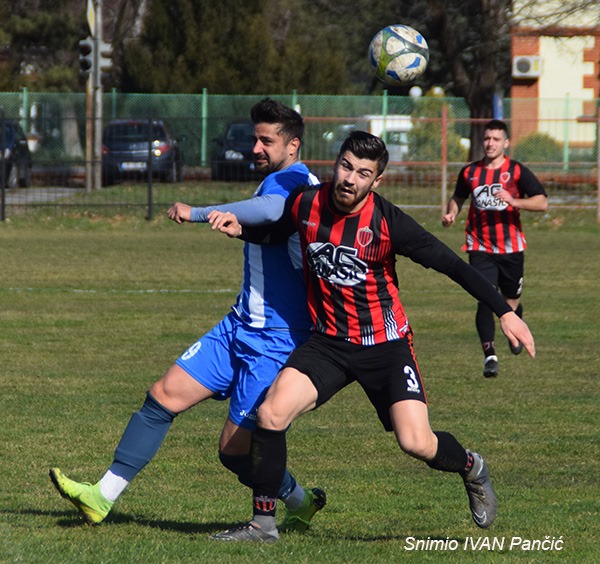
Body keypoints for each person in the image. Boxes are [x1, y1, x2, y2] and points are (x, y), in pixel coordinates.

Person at [207, 130, 536, 542]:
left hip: (385, 345)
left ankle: (472, 466)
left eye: (363, 173)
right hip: (328, 343)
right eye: (346, 166)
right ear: (336, 163)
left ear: (376, 181)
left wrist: (506, 312)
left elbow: (454, 266)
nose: (350, 178)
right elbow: (277, 233)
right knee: (270, 414)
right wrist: (242, 228)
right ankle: (263, 524)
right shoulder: (307, 201)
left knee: (416, 442)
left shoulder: (388, 221)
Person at [49, 98, 326, 532]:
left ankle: (297, 499)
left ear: (292, 146)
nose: (255, 147)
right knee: (163, 395)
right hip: (238, 326)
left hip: (276, 340)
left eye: (265, 140)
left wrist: (199, 213)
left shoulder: (295, 182)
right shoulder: (276, 178)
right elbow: (270, 228)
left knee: (234, 452)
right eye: (254, 138)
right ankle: (101, 496)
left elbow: (271, 212)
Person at [442, 119, 548, 377]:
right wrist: (451, 213)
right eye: (487, 138)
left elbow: (542, 202)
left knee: (510, 301)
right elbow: (458, 196)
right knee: (485, 298)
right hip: (479, 246)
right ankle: (490, 356)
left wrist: (514, 200)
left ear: (506, 143)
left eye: (496, 139)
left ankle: (516, 319)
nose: (490, 143)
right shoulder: (469, 172)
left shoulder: (517, 171)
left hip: (511, 248)